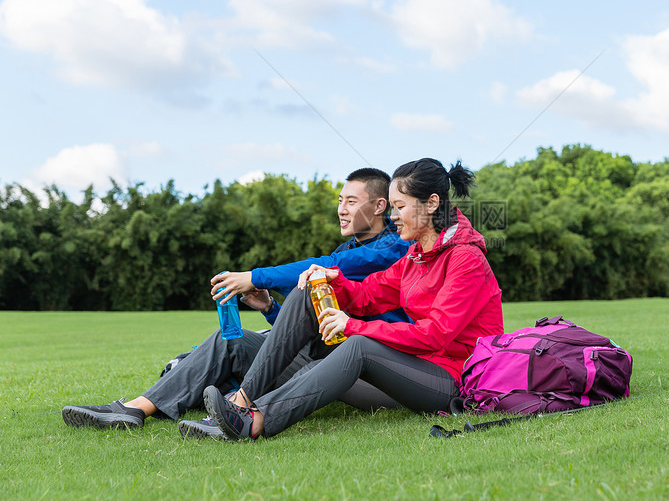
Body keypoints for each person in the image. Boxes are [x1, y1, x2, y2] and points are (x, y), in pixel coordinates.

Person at [62, 168, 412, 435]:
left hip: (364, 370)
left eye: (351, 201)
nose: (342, 209)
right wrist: (269, 307)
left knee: (267, 341)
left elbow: (331, 268)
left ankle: (235, 408)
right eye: (340, 200)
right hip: (321, 357)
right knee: (229, 340)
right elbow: (302, 330)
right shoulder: (346, 249)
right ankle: (135, 409)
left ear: (380, 205)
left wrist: (254, 276)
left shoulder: (394, 247)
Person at [201, 158, 504, 440]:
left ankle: (254, 422)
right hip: (415, 368)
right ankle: (242, 401)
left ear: (431, 204)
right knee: (309, 289)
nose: (393, 216)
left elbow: (434, 334)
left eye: (400, 206)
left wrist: (352, 326)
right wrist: (334, 280)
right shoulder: (416, 256)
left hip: (455, 379)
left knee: (359, 346)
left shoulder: (466, 260)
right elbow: (368, 296)